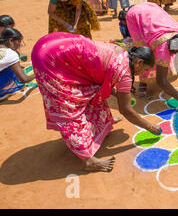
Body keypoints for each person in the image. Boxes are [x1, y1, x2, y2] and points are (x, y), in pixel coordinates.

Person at [31, 32, 161, 172]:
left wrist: (120, 94)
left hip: (53, 43)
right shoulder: (124, 73)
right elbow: (126, 110)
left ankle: (102, 123)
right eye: (144, 69)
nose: (142, 73)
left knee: (91, 89)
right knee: (68, 105)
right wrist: (150, 126)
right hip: (50, 59)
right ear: (139, 62)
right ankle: (88, 161)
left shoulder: (122, 53)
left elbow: (102, 81)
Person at [123, 3, 178, 107]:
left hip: (152, 8)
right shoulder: (163, 48)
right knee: (145, 54)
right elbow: (161, 80)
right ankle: (143, 83)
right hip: (134, 15)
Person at [0, 29, 35, 101]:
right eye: (19, 41)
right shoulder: (11, 54)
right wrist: (38, 73)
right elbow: (24, 79)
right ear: (11, 41)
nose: (20, 45)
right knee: (11, 72)